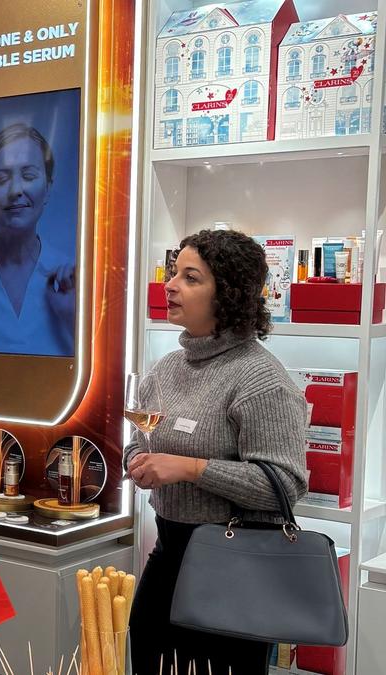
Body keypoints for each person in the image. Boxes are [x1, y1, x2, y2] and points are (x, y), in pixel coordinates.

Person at [124, 229, 308, 675]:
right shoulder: (166, 369)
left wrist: (190, 468)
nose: (170, 286)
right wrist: (135, 461)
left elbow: (285, 484)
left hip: (235, 571)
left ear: (228, 294)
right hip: (167, 556)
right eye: (173, 274)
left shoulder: (260, 379)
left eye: (190, 278)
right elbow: (139, 442)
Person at [0, 123, 75, 356]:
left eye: (28, 176)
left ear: (48, 188)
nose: (16, 190)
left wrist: (72, 320)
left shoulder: (75, 283)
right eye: (1, 179)